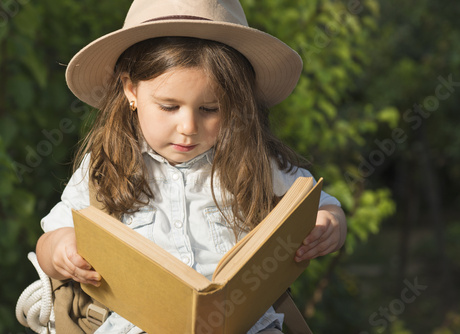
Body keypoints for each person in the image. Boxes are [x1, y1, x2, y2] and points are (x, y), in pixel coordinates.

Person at [35, 0, 347, 333]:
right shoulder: (107, 165)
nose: (189, 127)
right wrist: (62, 250)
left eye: (210, 109)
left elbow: (321, 203)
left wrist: (328, 224)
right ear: (131, 91)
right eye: (169, 107)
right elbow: (52, 235)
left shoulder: (251, 159)